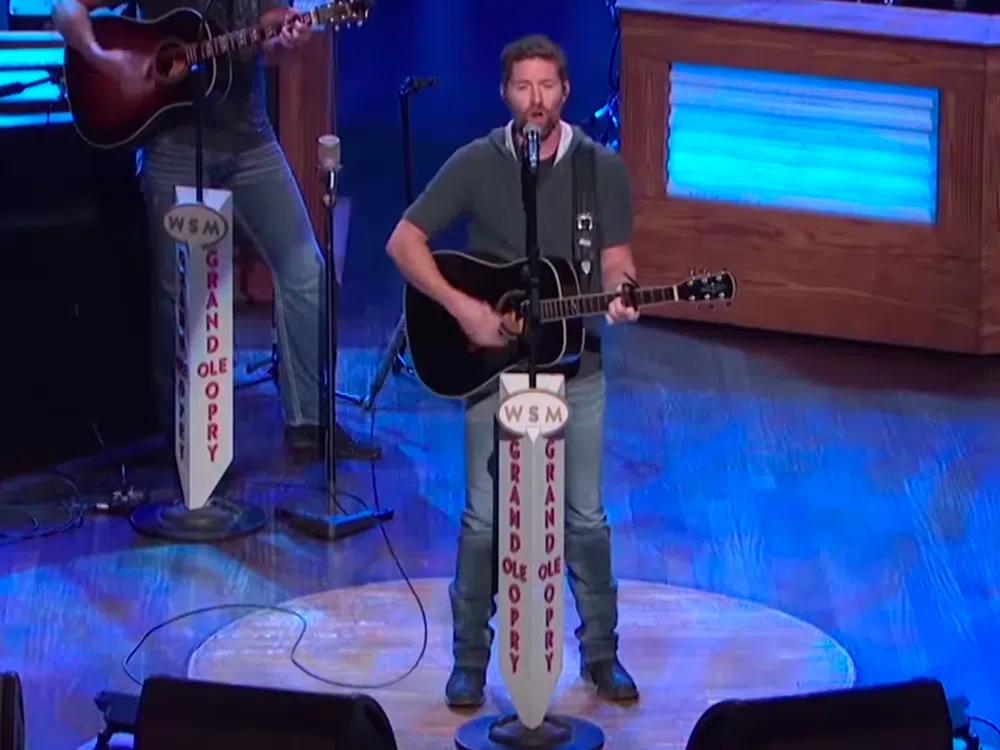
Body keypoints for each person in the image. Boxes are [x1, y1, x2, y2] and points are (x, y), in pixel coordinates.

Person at [386, 33, 640, 708]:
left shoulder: (599, 168)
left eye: (547, 86)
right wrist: (466, 310)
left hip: (575, 363)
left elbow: (616, 259)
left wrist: (622, 291)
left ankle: (602, 656)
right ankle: (470, 661)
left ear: (566, 92)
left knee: (584, 517)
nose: (536, 99)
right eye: (523, 87)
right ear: (505, 93)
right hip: (492, 368)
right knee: (483, 517)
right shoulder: (478, 161)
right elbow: (404, 242)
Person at [51, 0, 380, 463]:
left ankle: (310, 424)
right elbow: (65, 8)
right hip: (172, 146)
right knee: (182, 296)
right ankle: (190, 444)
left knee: (306, 269)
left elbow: (268, 39)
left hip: (252, 141)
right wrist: (105, 59)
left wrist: (286, 42)